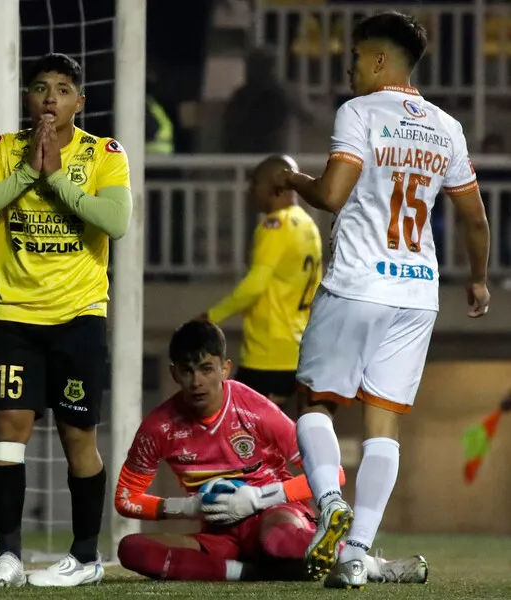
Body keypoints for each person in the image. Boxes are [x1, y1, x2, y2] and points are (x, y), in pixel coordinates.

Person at [271, 11, 491, 588]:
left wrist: (292, 181)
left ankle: (329, 508)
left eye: (353, 58)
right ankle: (357, 551)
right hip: (417, 291)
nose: (347, 69)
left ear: (377, 60)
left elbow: (333, 195)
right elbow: (474, 216)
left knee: (314, 405)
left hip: (357, 282)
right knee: (383, 425)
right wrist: (479, 280)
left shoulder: (360, 113)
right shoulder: (446, 126)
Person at [0, 53, 132, 587]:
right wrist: (32, 170)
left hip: (79, 317)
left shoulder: (104, 154)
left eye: (62, 88)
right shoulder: (6, 151)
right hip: (15, 317)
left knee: (78, 438)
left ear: (80, 102)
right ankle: (8, 555)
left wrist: (57, 181)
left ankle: (83, 558)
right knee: (8, 435)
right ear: (28, 99)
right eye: (40, 88)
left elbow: (116, 221)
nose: (50, 97)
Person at [114, 321, 428, 585]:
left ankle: (370, 566)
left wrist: (257, 498)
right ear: (174, 373)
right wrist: (188, 506)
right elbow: (126, 497)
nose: (197, 381)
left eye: (206, 369)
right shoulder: (159, 426)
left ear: (225, 369)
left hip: (275, 516)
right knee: (131, 549)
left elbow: (334, 473)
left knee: (276, 542)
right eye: (187, 370)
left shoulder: (254, 408)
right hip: (220, 535)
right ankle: (255, 572)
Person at [204, 155, 322, 411]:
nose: (251, 190)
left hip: (268, 354)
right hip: (299, 349)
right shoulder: (307, 225)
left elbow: (255, 285)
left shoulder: (275, 226)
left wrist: (210, 317)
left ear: (274, 185)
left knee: (237, 430)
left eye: (256, 182)